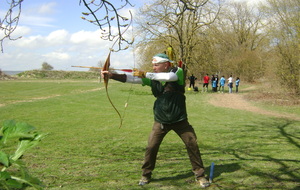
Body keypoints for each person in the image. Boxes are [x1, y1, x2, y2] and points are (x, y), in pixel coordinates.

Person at [101, 53, 210, 188]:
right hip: (161, 120)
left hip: (180, 120)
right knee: (151, 147)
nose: (154, 67)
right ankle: (146, 175)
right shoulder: (152, 78)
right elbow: (132, 79)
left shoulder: (177, 71)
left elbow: (170, 77)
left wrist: (146, 74)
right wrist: (111, 75)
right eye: (153, 65)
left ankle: (200, 175)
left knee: (192, 144)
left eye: (156, 65)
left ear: (166, 64)